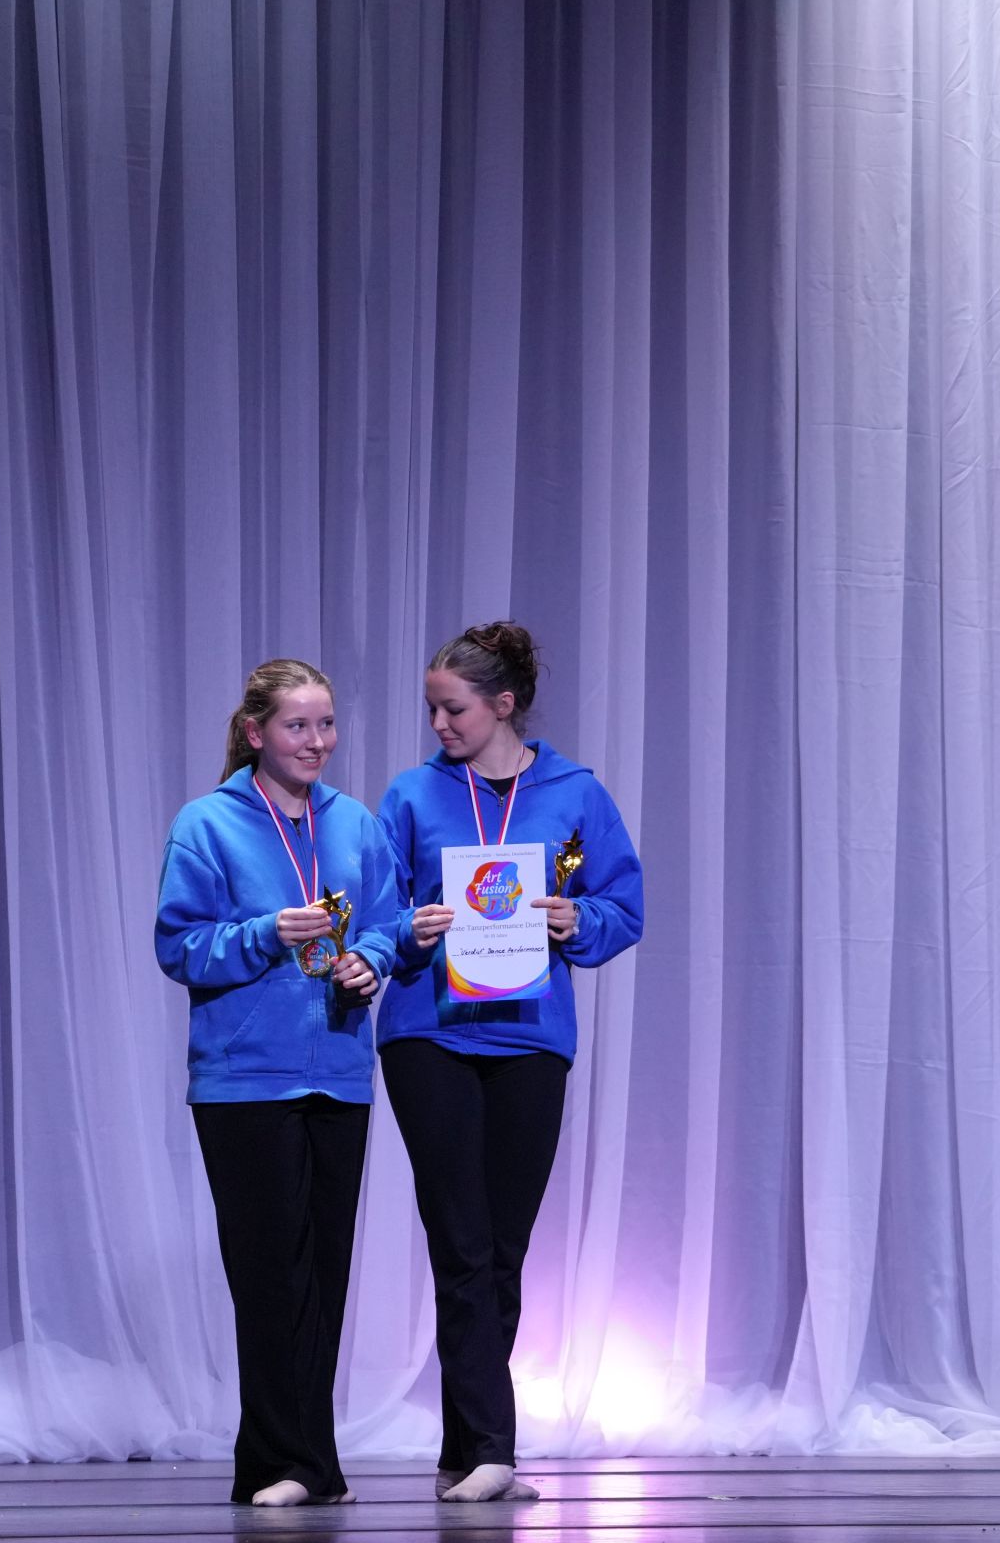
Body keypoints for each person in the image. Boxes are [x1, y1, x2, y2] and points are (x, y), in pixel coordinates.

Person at [374, 623, 644, 1502]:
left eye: (453, 709)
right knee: (460, 1241)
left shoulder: (575, 793)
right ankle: (495, 1449)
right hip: (430, 1036)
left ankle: (465, 1454)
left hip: (530, 1038)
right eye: (432, 709)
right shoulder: (412, 795)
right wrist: (409, 929)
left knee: (502, 1249)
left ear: (504, 703)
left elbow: (623, 905)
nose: (439, 724)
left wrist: (577, 920)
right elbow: (375, 913)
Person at [154, 659, 402, 1506]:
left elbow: (387, 922)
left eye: (326, 724)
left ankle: (309, 1464)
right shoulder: (207, 824)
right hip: (244, 1082)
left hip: (338, 1074)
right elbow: (179, 946)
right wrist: (265, 932)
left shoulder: (355, 823)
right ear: (256, 732)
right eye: (299, 725)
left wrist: (369, 961)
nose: (317, 741)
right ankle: (278, 1463)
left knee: (323, 1276)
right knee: (269, 1278)